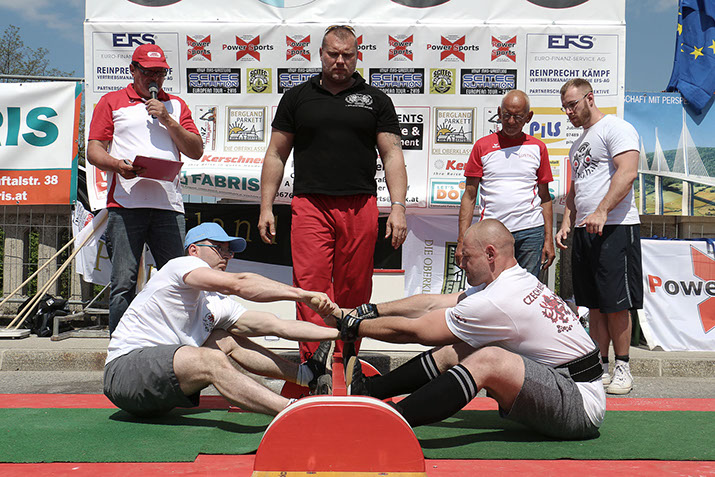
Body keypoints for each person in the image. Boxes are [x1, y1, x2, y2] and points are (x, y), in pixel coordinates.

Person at [331, 219, 605, 440]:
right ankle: (370, 390)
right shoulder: (513, 280)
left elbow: (416, 332)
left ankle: (393, 419)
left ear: (490, 254)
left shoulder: (498, 300)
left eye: (467, 258)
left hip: (580, 406)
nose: (461, 265)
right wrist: (372, 310)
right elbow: (433, 303)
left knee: (488, 359)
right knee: (460, 348)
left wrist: (357, 327)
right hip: (570, 385)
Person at [258, 25, 408, 361]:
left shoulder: (377, 100)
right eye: (333, 54)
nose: (340, 61)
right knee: (311, 286)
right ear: (320, 54)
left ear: (357, 57)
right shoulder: (297, 97)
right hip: (310, 203)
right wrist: (266, 207)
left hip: (360, 204)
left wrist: (398, 207)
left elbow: (393, 155)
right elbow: (276, 154)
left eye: (347, 55)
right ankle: (315, 365)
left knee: (355, 287)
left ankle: (347, 359)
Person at [103, 222, 339, 418]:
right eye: (218, 248)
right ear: (194, 250)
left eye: (229, 251)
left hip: (157, 390)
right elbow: (239, 283)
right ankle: (294, 412)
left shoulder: (215, 302)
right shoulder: (181, 265)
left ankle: (306, 375)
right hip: (124, 374)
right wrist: (302, 295)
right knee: (211, 358)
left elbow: (276, 325)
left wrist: (342, 332)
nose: (226, 256)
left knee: (223, 338)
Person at [87, 44, 204, 335]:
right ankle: (121, 349)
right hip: (126, 206)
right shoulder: (111, 101)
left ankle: (177, 343)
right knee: (123, 283)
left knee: (178, 278)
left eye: (161, 72)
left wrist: (167, 119)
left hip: (168, 207)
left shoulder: (175, 106)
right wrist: (117, 165)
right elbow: (94, 151)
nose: (155, 78)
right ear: (133, 70)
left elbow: (196, 150)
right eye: (149, 72)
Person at [555, 78, 642, 395]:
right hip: (584, 231)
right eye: (565, 107)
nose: (569, 112)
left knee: (615, 304)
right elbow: (576, 188)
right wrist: (566, 222)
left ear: (590, 98)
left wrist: (603, 210)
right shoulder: (578, 143)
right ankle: (601, 367)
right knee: (592, 304)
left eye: (573, 105)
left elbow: (628, 172)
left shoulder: (616, 128)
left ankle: (623, 368)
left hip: (615, 227)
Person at [457, 90, 555, 278]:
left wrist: (548, 240)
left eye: (518, 117)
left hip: (530, 232)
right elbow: (469, 196)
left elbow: (545, 197)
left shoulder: (538, 147)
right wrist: (462, 240)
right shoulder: (482, 146)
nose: (511, 121)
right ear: (499, 113)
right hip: (491, 233)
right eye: (507, 115)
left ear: (528, 117)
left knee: (526, 289)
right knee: (491, 287)